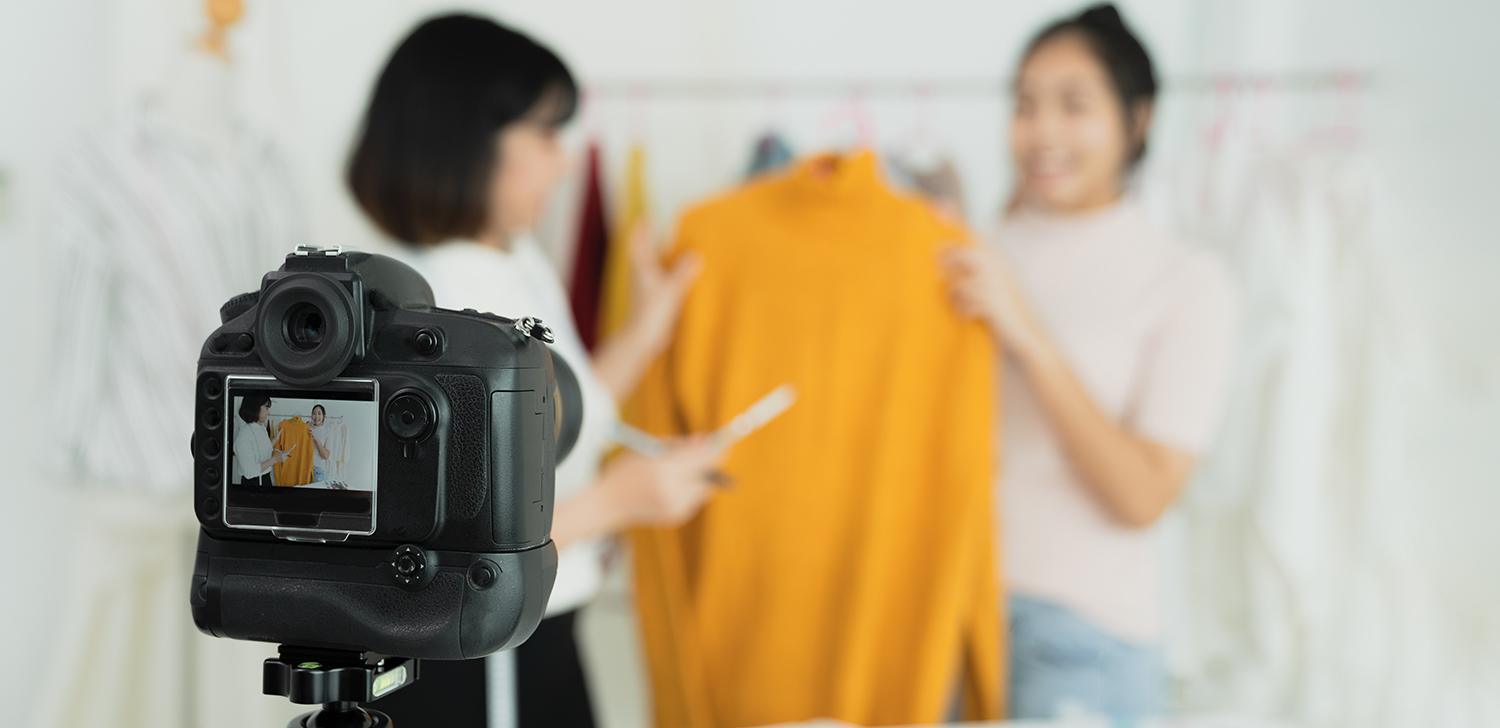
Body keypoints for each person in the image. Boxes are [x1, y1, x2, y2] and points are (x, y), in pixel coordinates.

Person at [344, 14, 725, 728]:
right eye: (546, 134)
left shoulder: (511, 261)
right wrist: (621, 500)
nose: (564, 161)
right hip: (487, 657)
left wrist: (646, 330)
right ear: (467, 141)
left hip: (533, 633)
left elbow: (557, 420)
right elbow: (448, 548)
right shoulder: (440, 307)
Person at [941, 4, 1237, 721]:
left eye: (1074, 105)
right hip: (953, 620)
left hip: (1084, 639)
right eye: (1025, 105)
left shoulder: (1184, 280)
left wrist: (1026, 333)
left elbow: (1142, 497)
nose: (1042, 131)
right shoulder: (967, 250)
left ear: (1136, 121)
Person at [233, 393, 289, 487]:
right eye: (266, 408)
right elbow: (249, 472)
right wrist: (274, 460)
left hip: (265, 480)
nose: (269, 412)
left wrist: (276, 439)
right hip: (253, 485)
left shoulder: (261, 427)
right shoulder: (244, 436)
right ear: (255, 407)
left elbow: (262, 450)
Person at [308, 404, 333, 482]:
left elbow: (326, 456)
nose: (316, 416)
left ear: (324, 416)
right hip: (305, 468)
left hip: (318, 470)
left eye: (319, 413)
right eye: (314, 413)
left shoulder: (328, 432)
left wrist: (316, 440)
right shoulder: (307, 428)